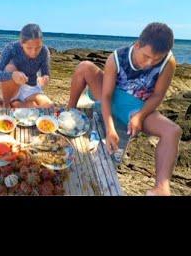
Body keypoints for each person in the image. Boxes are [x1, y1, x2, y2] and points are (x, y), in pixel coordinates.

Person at [68, 22, 181, 196]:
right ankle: (69, 110)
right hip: (110, 96)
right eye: (146, 56)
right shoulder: (116, 58)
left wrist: (141, 116)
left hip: (137, 108)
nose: (149, 63)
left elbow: (158, 95)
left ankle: (161, 188)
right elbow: (106, 96)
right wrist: (110, 128)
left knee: (173, 131)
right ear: (137, 45)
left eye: (156, 59)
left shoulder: (168, 61)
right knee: (84, 67)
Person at [0, 23, 54, 108]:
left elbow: (45, 72)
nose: (34, 52)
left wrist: (45, 77)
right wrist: (12, 75)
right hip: (12, 88)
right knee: (9, 68)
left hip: (31, 88)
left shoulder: (44, 51)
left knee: (49, 106)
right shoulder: (12, 48)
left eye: (38, 47)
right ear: (21, 43)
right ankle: (6, 104)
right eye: (29, 48)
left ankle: (17, 104)